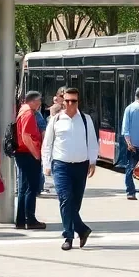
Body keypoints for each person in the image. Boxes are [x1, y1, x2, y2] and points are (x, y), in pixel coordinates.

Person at [42, 87, 98, 251]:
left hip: (81, 165)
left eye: (73, 101)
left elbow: (92, 142)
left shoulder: (86, 120)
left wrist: (93, 162)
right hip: (61, 165)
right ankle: (69, 235)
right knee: (66, 200)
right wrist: (46, 164)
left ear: (78, 102)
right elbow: (48, 144)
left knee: (75, 203)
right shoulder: (56, 119)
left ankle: (81, 229)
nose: (70, 104)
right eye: (67, 101)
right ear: (62, 101)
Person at [15, 91, 47, 230]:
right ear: (32, 101)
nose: (40, 104)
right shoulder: (28, 113)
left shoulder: (22, 110)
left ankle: (21, 220)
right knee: (31, 188)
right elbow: (26, 135)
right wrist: (36, 154)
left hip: (22, 153)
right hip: (28, 153)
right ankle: (30, 218)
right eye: (39, 101)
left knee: (23, 188)